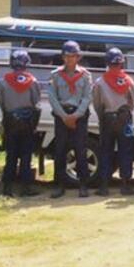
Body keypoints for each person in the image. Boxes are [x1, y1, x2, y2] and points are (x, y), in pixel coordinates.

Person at [48, 40, 93, 198]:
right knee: (59, 150)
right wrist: (64, 116)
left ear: (78, 57)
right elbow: (52, 98)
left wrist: (75, 116)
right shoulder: (55, 75)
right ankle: (59, 185)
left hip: (79, 117)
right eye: (66, 56)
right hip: (61, 116)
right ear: (62, 57)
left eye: (72, 56)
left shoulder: (86, 75)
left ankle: (83, 184)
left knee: (81, 150)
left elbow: (87, 98)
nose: (69, 59)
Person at [0, 50, 41, 197]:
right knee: (26, 156)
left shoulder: (2, 82)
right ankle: (25, 188)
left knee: (11, 156)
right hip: (27, 122)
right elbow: (36, 101)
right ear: (26, 63)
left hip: (10, 121)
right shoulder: (32, 81)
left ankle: (7, 189)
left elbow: (1, 103)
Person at [92, 48, 134, 196]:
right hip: (125, 119)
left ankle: (104, 186)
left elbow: (97, 104)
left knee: (106, 151)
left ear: (107, 63)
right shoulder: (128, 80)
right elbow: (132, 103)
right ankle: (125, 185)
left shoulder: (99, 82)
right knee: (126, 151)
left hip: (107, 119)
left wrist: (102, 116)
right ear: (122, 63)